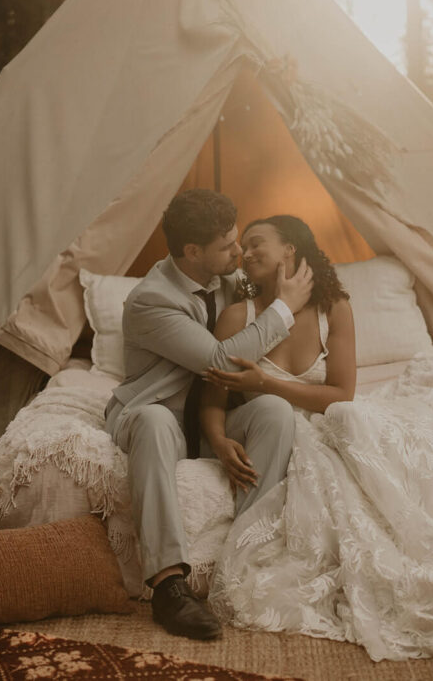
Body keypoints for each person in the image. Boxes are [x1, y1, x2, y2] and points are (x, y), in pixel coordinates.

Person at [201, 215, 433, 661]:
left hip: (319, 419)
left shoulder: (333, 308)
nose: (246, 252)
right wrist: (220, 442)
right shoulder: (234, 317)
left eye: (257, 242)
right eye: (243, 246)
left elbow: (342, 393)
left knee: (362, 430)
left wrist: (269, 383)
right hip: (268, 427)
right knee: (287, 421)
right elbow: (211, 398)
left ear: (291, 249)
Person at [105, 190, 314, 640]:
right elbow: (220, 358)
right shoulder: (150, 300)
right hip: (157, 413)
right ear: (192, 251)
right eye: (227, 246)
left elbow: (275, 273)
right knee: (154, 420)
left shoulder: (229, 277)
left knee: (276, 411)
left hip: (210, 417)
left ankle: (246, 555)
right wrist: (285, 309)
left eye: (237, 241)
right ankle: (168, 587)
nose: (238, 253)